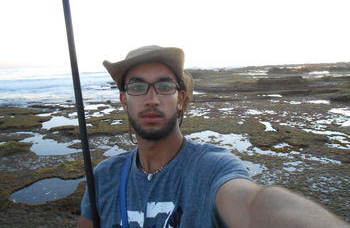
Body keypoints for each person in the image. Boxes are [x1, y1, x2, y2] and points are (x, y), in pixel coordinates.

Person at [79, 45, 349, 228]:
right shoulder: (104, 178)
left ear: (181, 99)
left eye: (164, 86)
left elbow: (253, 204)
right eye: (138, 87)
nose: (152, 99)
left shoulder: (211, 168)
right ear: (124, 100)